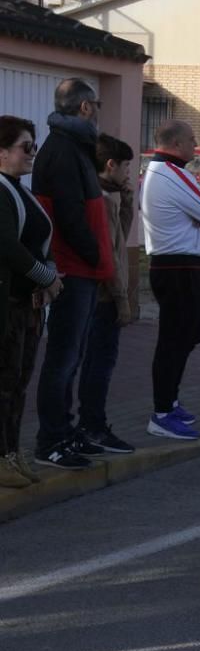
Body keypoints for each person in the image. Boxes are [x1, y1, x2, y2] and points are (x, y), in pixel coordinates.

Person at [32, 78, 115, 470]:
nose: (98, 111)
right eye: (95, 105)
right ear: (84, 108)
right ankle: (51, 438)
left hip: (83, 267)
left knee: (73, 354)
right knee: (64, 357)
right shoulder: (64, 150)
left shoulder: (72, 146)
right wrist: (95, 254)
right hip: (73, 268)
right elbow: (69, 215)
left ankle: (65, 432)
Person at [142, 120, 200, 439]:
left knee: (185, 337)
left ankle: (170, 402)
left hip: (177, 267)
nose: (195, 145)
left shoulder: (158, 172)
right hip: (179, 269)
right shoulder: (173, 174)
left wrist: (196, 221)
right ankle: (162, 413)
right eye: (191, 140)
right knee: (175, 340)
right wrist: (198, 222)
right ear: (175, 144)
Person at [0, 116, 62, 485]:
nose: (33, 153)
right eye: (26, 146)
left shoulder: (18, 189)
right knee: (4, 382)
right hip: (7, 303)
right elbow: (7, 247)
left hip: (27, 305)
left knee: (19, 381)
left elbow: (39, 240)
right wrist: (47, 276)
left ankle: (11, 452)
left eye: (34, 146)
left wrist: (48, 274)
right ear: (2, 151)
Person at [76, 134, 136, 455]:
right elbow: (110, 254)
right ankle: (92, 426)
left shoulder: (110, 197)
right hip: (103, 297)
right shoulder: (99, 199)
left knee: (97, 362)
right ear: (110, 164)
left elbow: (122, 236)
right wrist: (122, 300)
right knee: (99, 363)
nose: (129, 172)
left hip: (103, 295)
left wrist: (127, 201)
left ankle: (90, 423)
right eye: (126, 165)